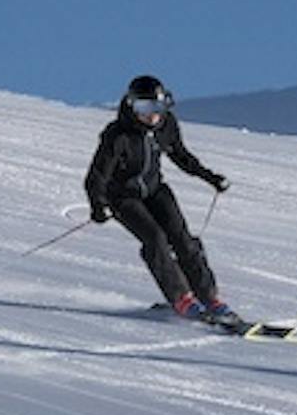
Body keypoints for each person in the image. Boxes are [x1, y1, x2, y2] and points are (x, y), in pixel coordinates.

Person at [85, 75, 233, 321]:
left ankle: (209, 298)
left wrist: (210, 178)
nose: (151, 115)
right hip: (122, 197)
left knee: (182, 239)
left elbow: (181, 156)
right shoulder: (117, 134)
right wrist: (98, 205)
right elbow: (97, 176)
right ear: (131, 106)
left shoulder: (166, 125)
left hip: (155, 190)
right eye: (144, 108)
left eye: (157, 107)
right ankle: (181, 298)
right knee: (155, 239)